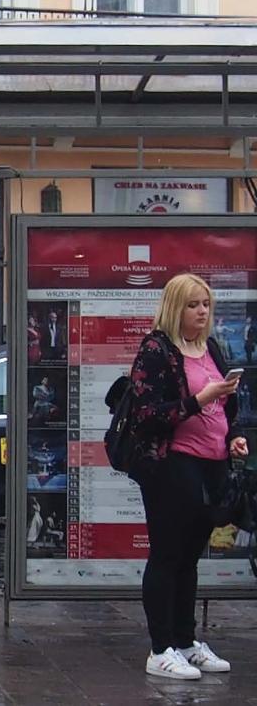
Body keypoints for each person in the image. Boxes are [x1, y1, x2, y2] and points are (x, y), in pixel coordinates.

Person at [129, 273, 246, 680]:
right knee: (167, 553)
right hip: (172, 463)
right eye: (194, 304)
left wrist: (234, 438)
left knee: (190, 558)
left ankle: (185, 641)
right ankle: (159, 649)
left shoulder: (208, 347)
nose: (202, 312)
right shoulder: (156, 350)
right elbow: (148, 415)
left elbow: (224, 413)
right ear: (175, 307)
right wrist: (200, 399)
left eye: (206, 305)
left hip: (212, 461)